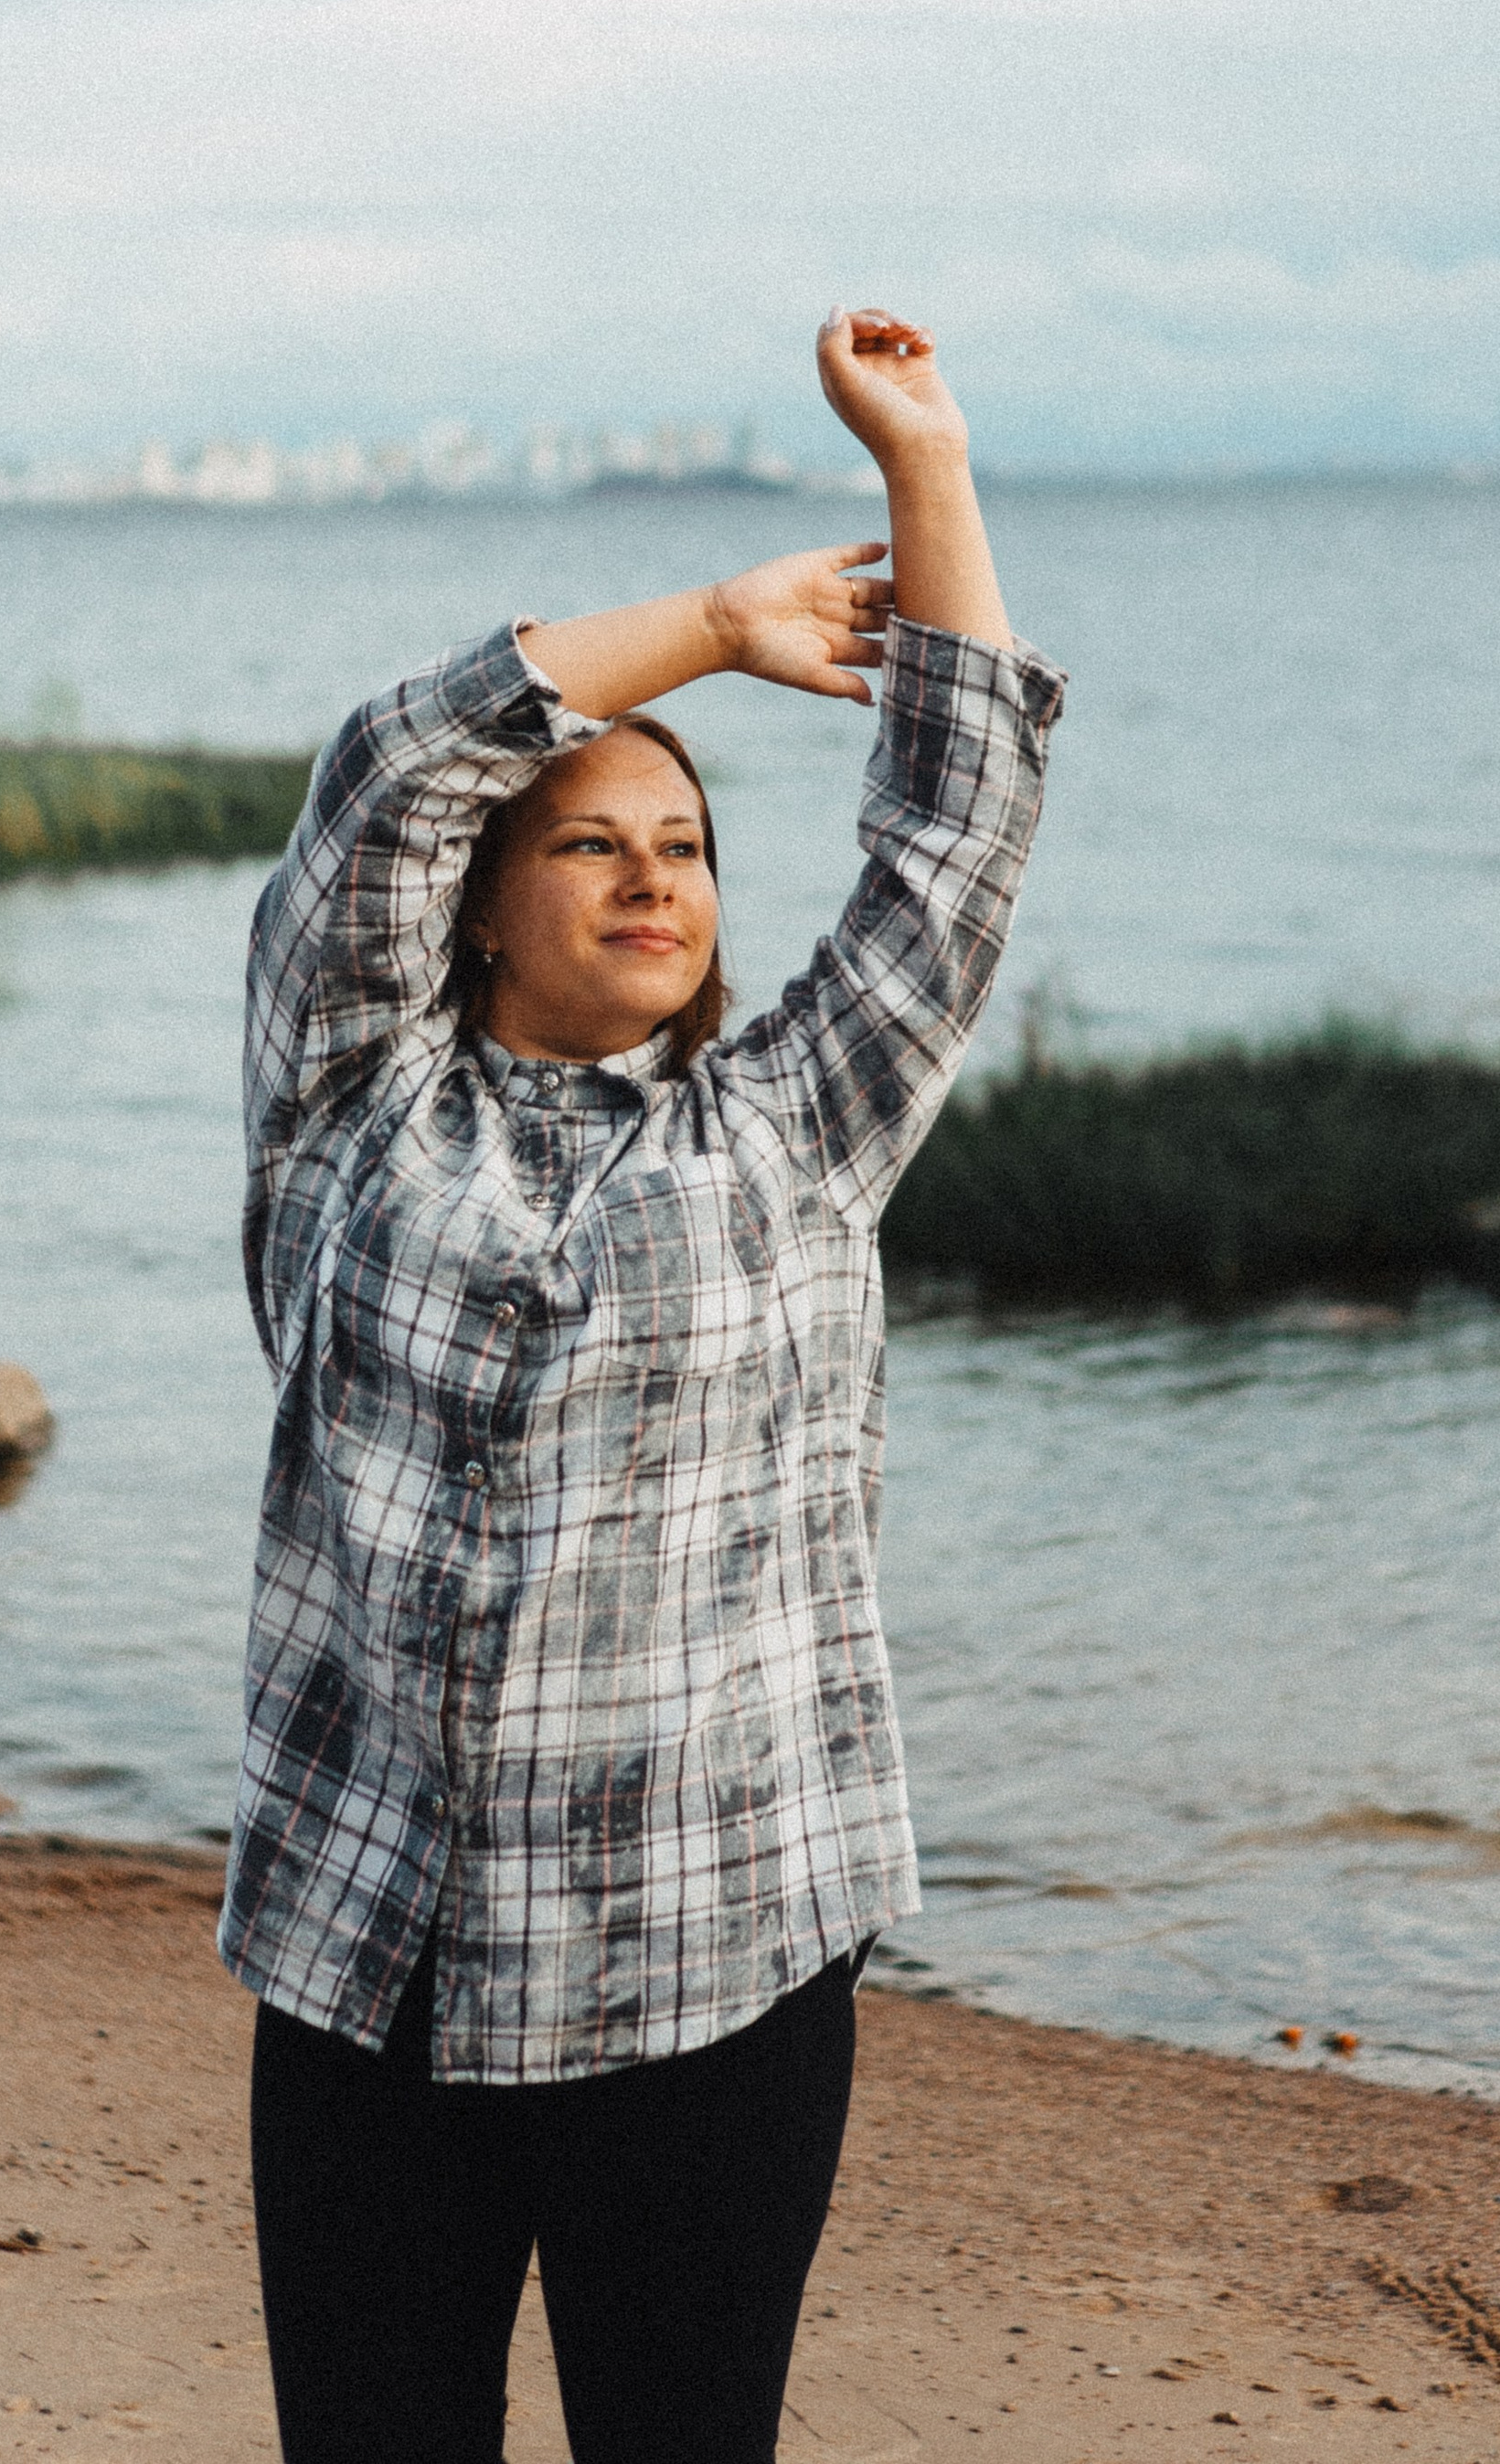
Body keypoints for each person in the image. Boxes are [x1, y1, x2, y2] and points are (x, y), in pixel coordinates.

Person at [221, 304, 1066, 2464]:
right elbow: (388, 768)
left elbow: (951, 847)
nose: (653, 876)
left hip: (706, 1980)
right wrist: (698, 629)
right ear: (483, 904)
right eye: (592, 840)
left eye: (683, 848)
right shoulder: (347, 1107)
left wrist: (925, 469)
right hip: (369, 1971)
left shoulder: (787, 1131)